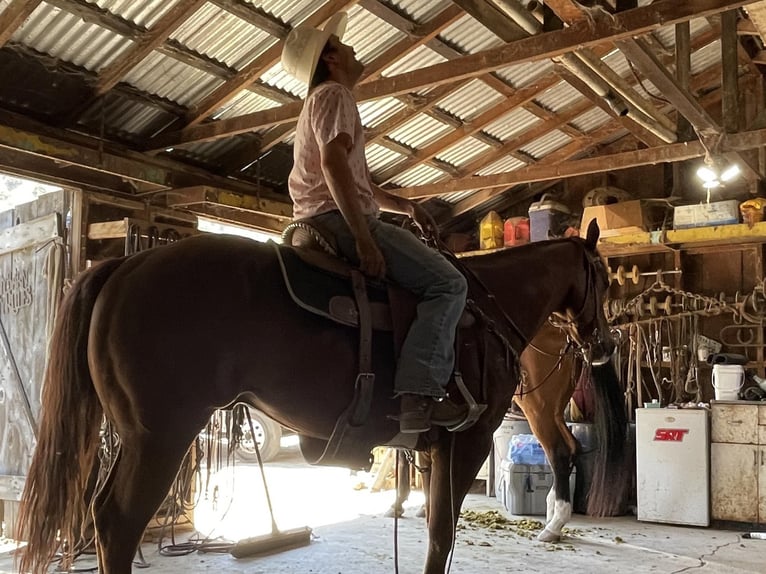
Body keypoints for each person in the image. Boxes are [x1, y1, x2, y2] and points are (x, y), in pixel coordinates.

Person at [280, 13, 468, 434]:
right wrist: (365, 240)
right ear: (331, 58)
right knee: (449, 284)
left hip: (315, 218)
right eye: (343, 46)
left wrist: (403, 205)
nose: (351, 49)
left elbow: (351, 174)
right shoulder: (335, 95)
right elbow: (332, 165)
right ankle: (419, 394)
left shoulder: (320, 101)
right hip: (337, 221)